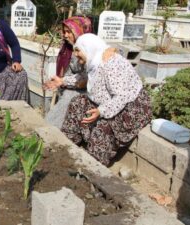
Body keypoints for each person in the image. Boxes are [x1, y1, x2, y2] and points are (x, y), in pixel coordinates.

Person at [61, 33, 152, 166]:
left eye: (78, 50)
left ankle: (92, 167)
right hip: (109, 101)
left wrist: (101, 111)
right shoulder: (95, 60)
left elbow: (122, 96)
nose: (75, 54)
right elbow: (84, 78)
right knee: (77, 103)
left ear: (88, 49)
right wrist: (62, 81)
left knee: (103, 128)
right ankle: (66, 146)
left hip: (130, 107)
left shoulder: (110, 63)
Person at [43, 16, 91, 129]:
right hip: (73, 85)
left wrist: (63, 81)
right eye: (64, 32)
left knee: (69, 97)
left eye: (69, 32)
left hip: (88, 88)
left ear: (79, 30)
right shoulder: (68, 48)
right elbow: (67, 73)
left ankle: (52, 130)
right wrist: (59, 81)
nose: (65, 35)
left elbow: (87, 77)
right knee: (65, 94)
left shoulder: (88, 49)